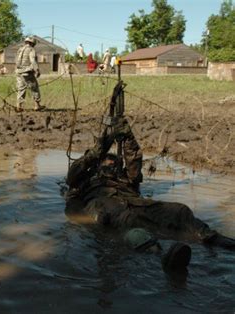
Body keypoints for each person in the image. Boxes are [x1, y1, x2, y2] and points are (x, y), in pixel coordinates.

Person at [65, 83, 235, 251]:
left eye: (114, 161)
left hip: (139, 205)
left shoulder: (124, 177)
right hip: (107, 208)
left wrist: (127, 136)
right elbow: (73, 175)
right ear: (97, 164)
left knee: (179, 211)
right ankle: (160, 255)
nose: (111, 163)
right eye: (106, 161)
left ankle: (215, 239)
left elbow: (133, 162)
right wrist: (97, 151)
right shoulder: (87, 179)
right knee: (127, 222)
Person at [15, 36, 45, 112]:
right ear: (32, 43)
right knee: (34, 88)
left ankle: (19, 106)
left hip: (19, 72)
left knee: (21, 89)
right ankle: (37, 105)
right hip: (27, 72)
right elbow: (33, 61)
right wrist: (37, 70)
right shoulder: (31, 49)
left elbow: (16, 61)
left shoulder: (20, 49)